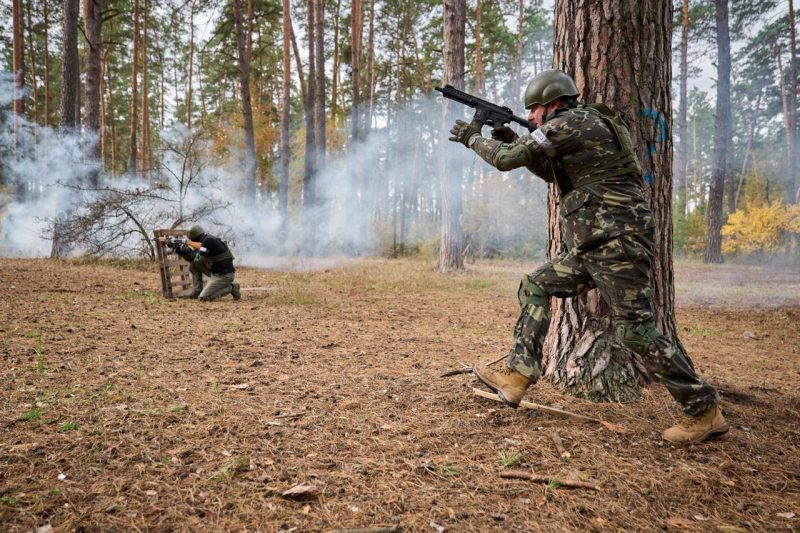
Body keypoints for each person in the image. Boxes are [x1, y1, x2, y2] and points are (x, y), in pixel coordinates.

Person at [448, 69, 727, 444]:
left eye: (534, 110)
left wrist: (473, 137)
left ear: (552, 104)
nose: (530, 117)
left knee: (636, 330)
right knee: (535, 285)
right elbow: (552, 171)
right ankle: (518, 374)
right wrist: (511, 138)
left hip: (617, 242)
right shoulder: (577, 126)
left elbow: (506, 160)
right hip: (595, 244)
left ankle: (703, 410)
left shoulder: (573, 122)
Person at [161, 224, 241, 301]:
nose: (190, 241)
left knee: (203, 297)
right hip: (216, 272)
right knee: (194, 265)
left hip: (224, 276)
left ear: (194, 238)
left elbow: (197, 258)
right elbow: (192, 259)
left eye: (191, 239)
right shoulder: (207, 239)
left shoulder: (208, 241)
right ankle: (197, 291)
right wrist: (178, 249)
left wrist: (185, 246)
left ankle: (232, 287)